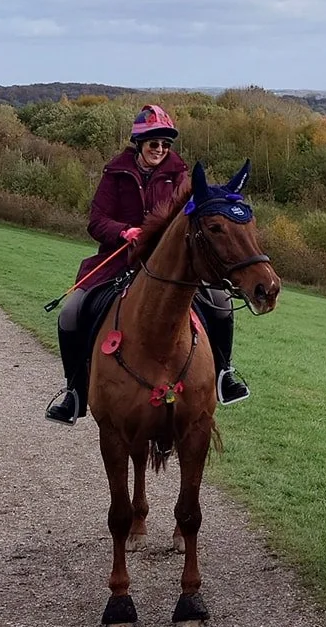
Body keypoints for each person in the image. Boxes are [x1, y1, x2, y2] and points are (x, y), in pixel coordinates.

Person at [46, 104, 251, 422]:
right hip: (120, 260)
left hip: (169, 265)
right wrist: (123, 231)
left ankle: (225, 373)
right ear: (139, 144)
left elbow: (189, 220)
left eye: (165, 144)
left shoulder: (181, 176)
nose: (159, 149)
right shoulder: (114, 174)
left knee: (221, 302)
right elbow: (97, 221)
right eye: (153, 143)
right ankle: (74, 392)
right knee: (71, 313)